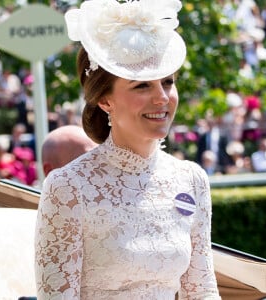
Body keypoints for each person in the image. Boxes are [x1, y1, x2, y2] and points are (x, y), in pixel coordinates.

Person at [35, 0, 221, 299]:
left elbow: (202, 291)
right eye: (141, 86)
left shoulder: (192, 179)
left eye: (168, 82)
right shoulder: (68, 187)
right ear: (105, 101)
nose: (162, 97)